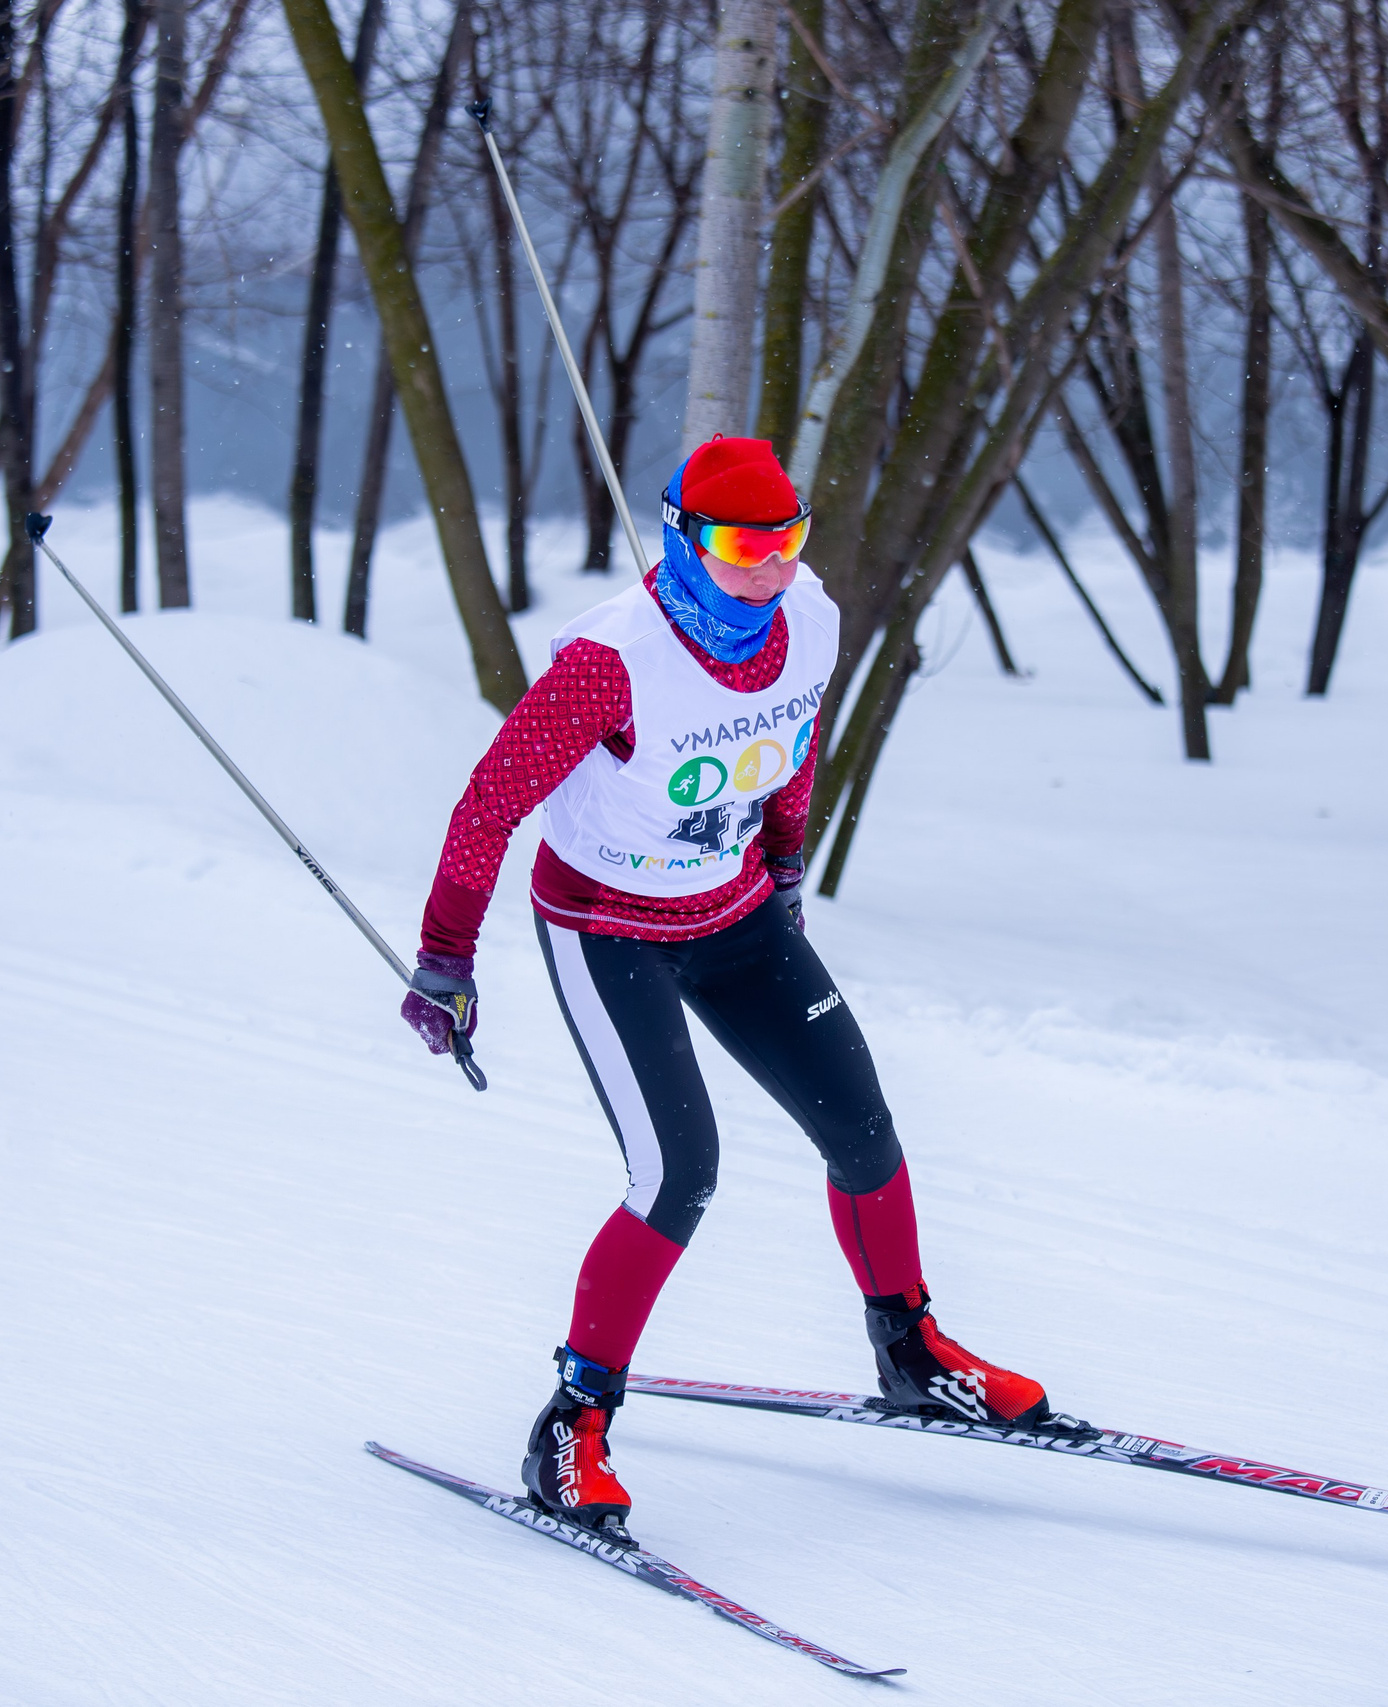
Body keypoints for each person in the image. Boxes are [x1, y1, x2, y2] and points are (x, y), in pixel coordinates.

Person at [399, 437, 1059, 1542]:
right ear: (684, 537)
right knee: (677, 1175)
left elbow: (789, 748)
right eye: (747, 545)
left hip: (737, 910)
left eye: (787, 540)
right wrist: (445, 962)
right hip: (608, 929)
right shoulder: (610, 663)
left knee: (861, 1127)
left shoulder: (808, 618)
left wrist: (788, 868)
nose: (771, 567)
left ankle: (910, 1350)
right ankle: (571, 1427)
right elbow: (489, 805)